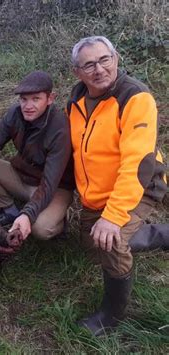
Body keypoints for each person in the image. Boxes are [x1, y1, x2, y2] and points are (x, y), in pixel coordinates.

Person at [67, 36, 167, 336]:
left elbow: (137, 163)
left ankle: (112, 315)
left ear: (116, 58)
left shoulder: (135, 98)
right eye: (89, 64)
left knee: (110, 242)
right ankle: (159, 234)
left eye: (104, 60)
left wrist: (112, 218)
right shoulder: (76, 101)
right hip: (99, 192)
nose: (98, 69)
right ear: (78, 72)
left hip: (140, 184)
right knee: (91, 243)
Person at [0, 71, 74, 241]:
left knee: (41, 229)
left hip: (56, 187)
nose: (28, 105)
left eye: (36, 99)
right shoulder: (14, 113)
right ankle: (9, 210)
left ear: (50, 98)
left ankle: (59, 223)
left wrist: (27, 214)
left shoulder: (60, 128)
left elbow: (50, 183)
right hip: (23, 176)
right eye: (24, 99)